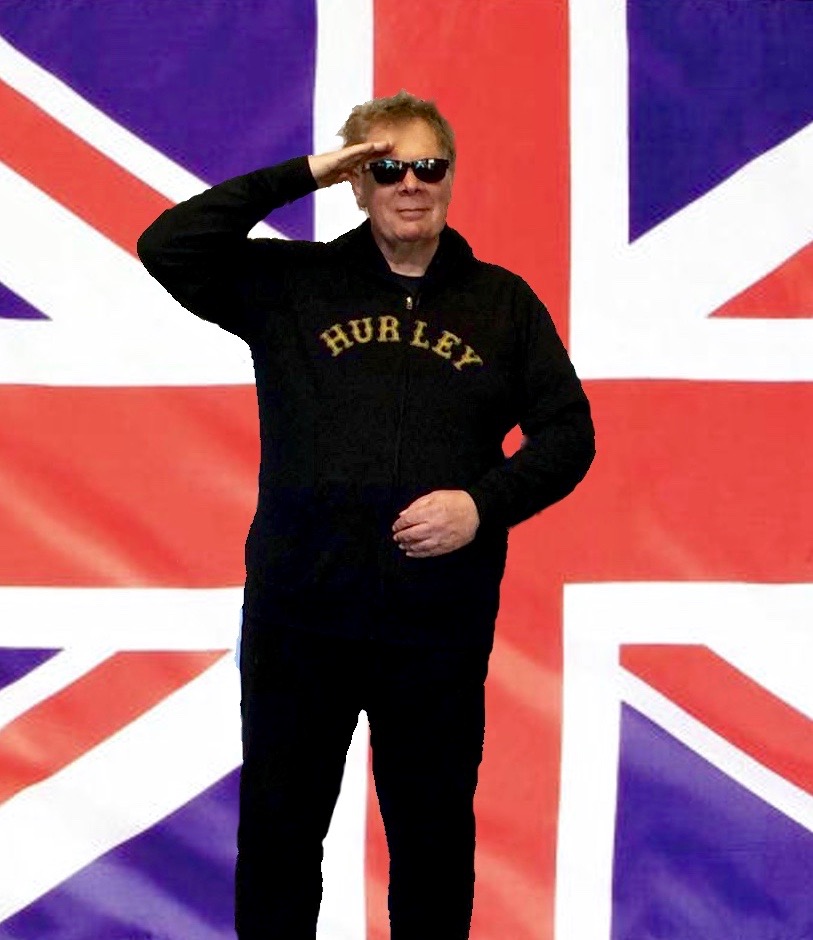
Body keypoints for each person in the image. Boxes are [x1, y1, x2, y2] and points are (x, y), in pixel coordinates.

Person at [137, 90, 594, 940]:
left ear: (450, 177)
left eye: (427, 166)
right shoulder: (291, 286)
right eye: (384, 168)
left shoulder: (502, 304)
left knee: (431, 846)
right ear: (355, 183)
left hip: (436, 630)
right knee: (279, 840)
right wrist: (305, 171)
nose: (409, 184)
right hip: (298, 622)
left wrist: (481, 505)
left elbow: (570, 434)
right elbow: (168, 245)